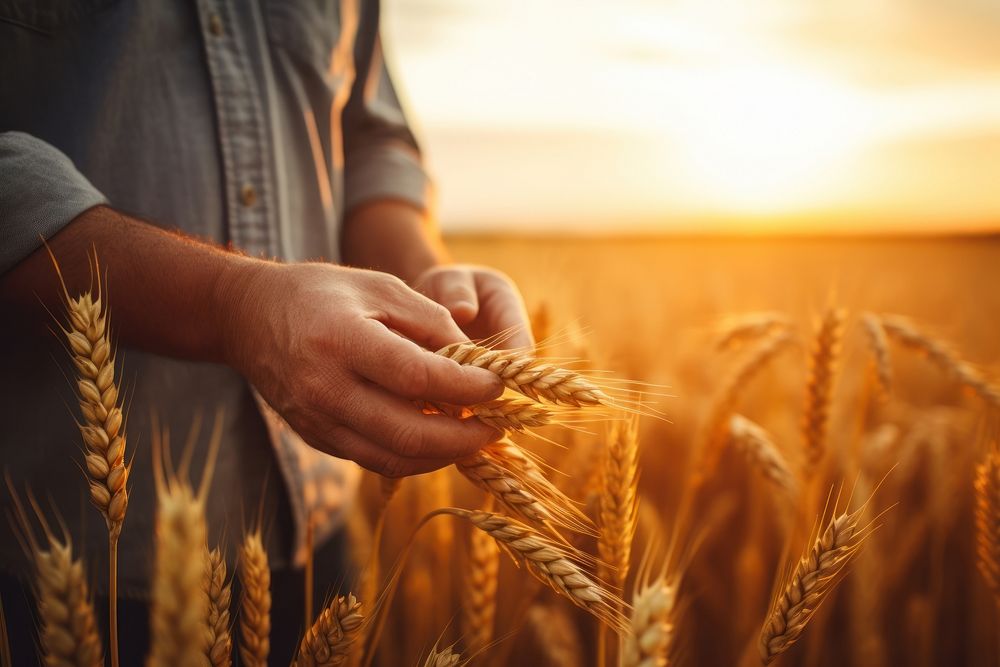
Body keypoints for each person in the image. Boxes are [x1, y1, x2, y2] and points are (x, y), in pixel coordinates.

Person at [0, 0, 530, 661]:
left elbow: (368, 138)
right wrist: (233, 304)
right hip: (66, 565)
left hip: (322, 533)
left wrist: (429, 279)